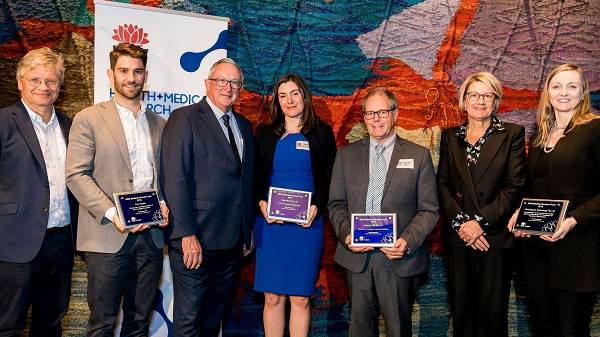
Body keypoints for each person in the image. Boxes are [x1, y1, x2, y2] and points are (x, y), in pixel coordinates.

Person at [65, 43, 168, 337]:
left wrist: (164, 204)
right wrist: (112, 213)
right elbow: (75, 174)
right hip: (107, 236)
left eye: (137, 71)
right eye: (123, 71)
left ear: (145, 75)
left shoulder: (160, 124)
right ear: (111, 74)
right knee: (102, 324)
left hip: (150, 237)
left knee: (138, 324)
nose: (131, 78)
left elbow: (162, 178)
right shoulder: (89, 118)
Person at [328, 87, 438, 337]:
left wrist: (406, 242)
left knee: (398, 329)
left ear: (395, 114)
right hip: (357, 259)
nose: (376, 118)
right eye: (370, 113)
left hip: (398, 257)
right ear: (364, 118)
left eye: (382, 112)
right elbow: (335, 204)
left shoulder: (418, 156)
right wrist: (348, 236)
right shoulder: (346, 155)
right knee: (359, 330)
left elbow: (429, 209)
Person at [160, 58, 255, 337]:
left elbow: (245, 182)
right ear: (207, 84)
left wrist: (246, 232)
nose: (228, 87)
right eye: (221, 81)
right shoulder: (185, 118)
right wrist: (186, 234)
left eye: (235, 82)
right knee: (189, 322)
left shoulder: (244, 126)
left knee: (214, 320)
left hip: (232, 244)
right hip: (196, 240)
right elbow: (175, 179)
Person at [508, 64, 600, 337]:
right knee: (543, 326)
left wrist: (573, 220)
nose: (563, 93)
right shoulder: (540, 134)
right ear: (547, 91)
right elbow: (535, 187)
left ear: (583, 91)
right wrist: (519, 214)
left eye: (572, 86)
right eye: (556, 86)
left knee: (571, 329)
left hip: (578, 249)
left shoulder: (595, 129)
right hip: (538, 251)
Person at [437, 71, 527, 337]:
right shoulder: (450, 136)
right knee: (462, 312)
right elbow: (442, 185)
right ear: (463, 100)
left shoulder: (512, 134)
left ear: (496, 101)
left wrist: (480, 224)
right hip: (459, 238)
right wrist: (464, 226)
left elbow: (515, 186)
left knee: (492, 315)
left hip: (495, 238)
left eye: (487, 95)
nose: (480, 101)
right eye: (474, 95)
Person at [0, 47, 77, 337]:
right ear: (20, 81)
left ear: (60, 85)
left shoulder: (72, 126)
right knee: (7, 326)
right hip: (14, 244)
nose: (43, 87)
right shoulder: (4, 122)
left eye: (51, 80)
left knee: (51, 324)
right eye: (35, 79)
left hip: (61, 242)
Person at [253, 73, 337, 336]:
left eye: (294, 93)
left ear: (304, 96)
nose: (289, 100)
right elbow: (254, 177)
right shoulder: (265, 133)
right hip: (271, 226)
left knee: (300, 298)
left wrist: (317, 206)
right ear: (277, 101)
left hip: (306, 226)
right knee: (272, 297)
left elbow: (331, 178)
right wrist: (261, 203)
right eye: (282, 95)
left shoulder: (322, 133)